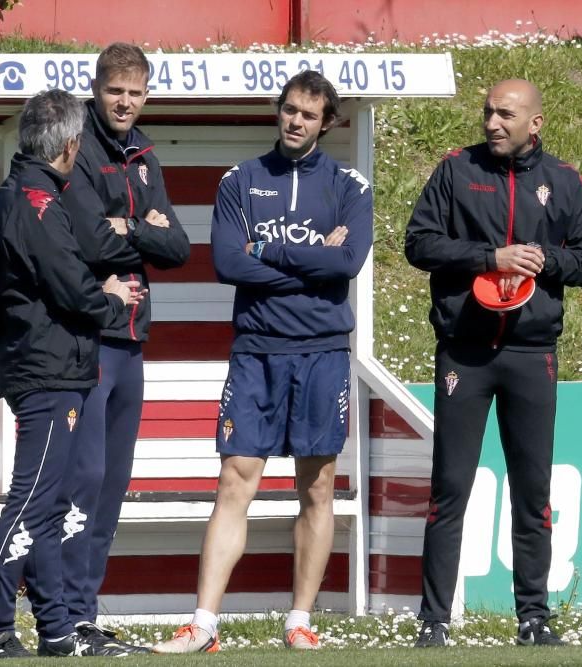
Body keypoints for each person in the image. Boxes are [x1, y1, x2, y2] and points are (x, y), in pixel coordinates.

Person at [152, 70, 373, 653]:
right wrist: (306, 257)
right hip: (256, 352)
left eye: (307, 113)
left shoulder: (351, 186)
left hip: (322, 353)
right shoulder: (240, 180)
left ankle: (299, 621)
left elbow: (345, 264)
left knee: (318, 488)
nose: (295, 121)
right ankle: (203, 624)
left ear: (328, 122)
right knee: (233, 482)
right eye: (288, 109)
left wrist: (267, 248)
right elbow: (227, 261)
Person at [404, 79, 582, 648]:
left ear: (535, 123)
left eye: (506, 114)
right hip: (463, 353)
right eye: (488, 112)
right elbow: (418, 243)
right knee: (450, 488)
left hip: (531, 353)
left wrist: (546, 261)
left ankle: (534, 619)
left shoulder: (565, 182)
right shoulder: (454, 171)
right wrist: (487, 256)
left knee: (532, 490)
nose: (492, 122)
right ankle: (434, 623)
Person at [0, 88, 144, 659]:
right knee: (31, 501)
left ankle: (55, 632)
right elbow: (74, 288)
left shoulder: (3, 198)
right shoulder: (39, 204)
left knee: (47, 507)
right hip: (49, 371)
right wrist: (114, 298)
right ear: (71, 144)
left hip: (33, 362)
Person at [58, 41, 190, 652]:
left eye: (136, 93)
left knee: (111, 485)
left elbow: (181, 248)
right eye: (116, 91)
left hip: (133, 341)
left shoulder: (145, 155)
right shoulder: (77, 145)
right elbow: (85, 238)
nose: (125, 103)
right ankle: (61, 618)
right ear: (97, 88)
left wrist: (127, 228)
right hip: (88, 338)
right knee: (81, 479)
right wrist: (141, 234)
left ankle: (84, 612)